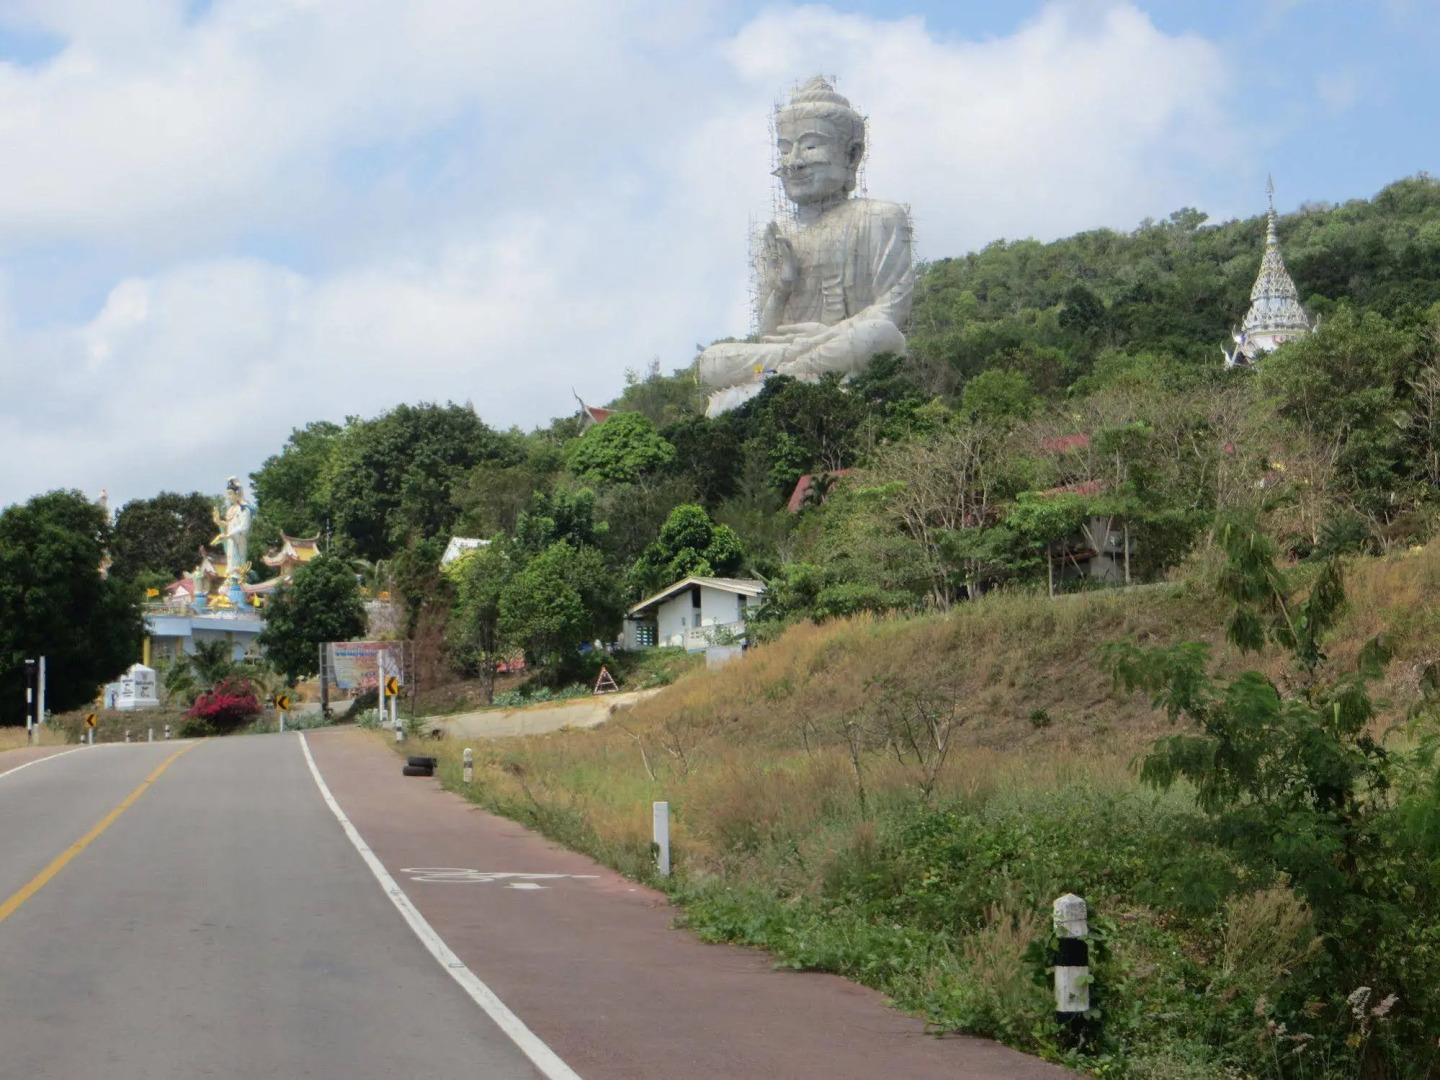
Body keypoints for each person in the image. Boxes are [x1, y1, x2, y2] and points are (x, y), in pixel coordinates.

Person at [699, 77, 913, 416]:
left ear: (852, 154)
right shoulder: (779, 232)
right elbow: (769, 334)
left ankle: (774, 382)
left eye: (810, 146)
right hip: (797, 353)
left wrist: (826, 336)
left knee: (880, 333)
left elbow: (891, 312)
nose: (793, 161)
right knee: (713, 360)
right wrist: (781, 288)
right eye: (784, 149)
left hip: (843, 348)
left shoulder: (880, 217)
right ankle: (786, 378)